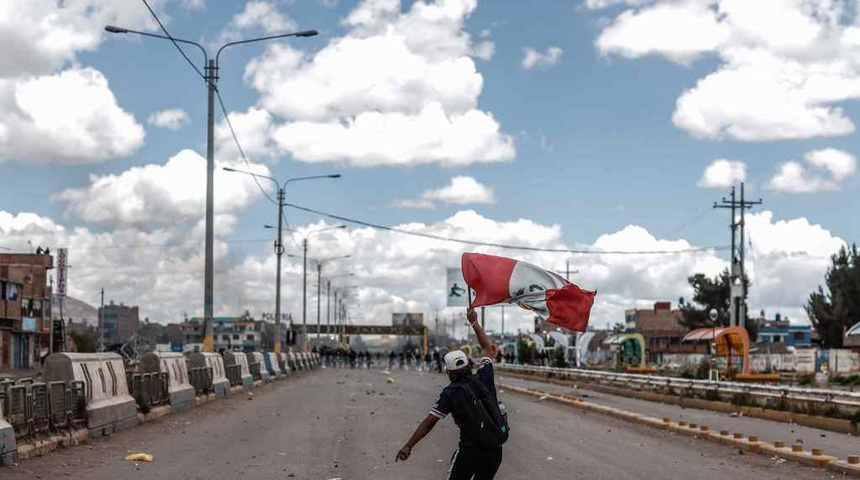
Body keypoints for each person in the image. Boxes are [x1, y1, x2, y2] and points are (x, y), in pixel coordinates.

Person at [396, 308, 506, 479]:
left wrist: (409, 446)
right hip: (494, 451)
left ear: (450, 373)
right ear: (469, 366)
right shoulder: (485, 376)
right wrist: (474, 322)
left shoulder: (450, 393)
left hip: (469, 453)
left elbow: (428, 423)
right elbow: (487, 347)